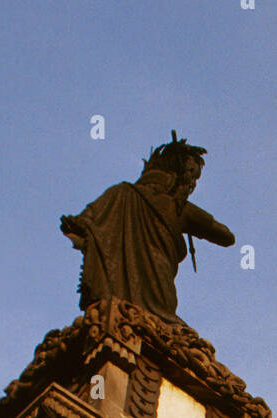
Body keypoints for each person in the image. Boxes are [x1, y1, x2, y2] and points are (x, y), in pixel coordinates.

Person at [61, 135, 235, 321]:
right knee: (165, 326)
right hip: (159, 292)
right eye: (191, 176)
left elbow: (82, 224)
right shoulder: (179, 208)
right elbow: (227, 237)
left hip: (116, 299)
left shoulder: (120, 193)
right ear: (179, 175)